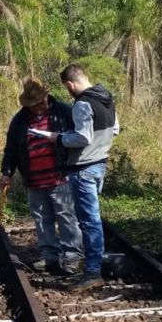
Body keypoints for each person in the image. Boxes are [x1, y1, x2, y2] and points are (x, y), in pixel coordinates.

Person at [0, 77, 83, 275]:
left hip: (60, 176)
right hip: (34, 180)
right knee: (41, 218)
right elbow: (10, 149)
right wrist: (6, 172)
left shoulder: (64, 112)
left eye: (40, 102)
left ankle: (71, 257)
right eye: (34, 104)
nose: (38, 107)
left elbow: (80, 138)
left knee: (66, 217)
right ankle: (49, 257)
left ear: (46, 97)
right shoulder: (19, 120)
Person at [45, 64, 117, 291]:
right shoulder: (107, 97)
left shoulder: (82, 103)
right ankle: (93, 268)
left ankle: (92, 272)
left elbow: (82, 138)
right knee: (92, 219)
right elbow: (114, 129)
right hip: (100, 163)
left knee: (89, 221)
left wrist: (56, 137)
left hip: (84, 168)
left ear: (69, 85)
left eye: (67, 89)